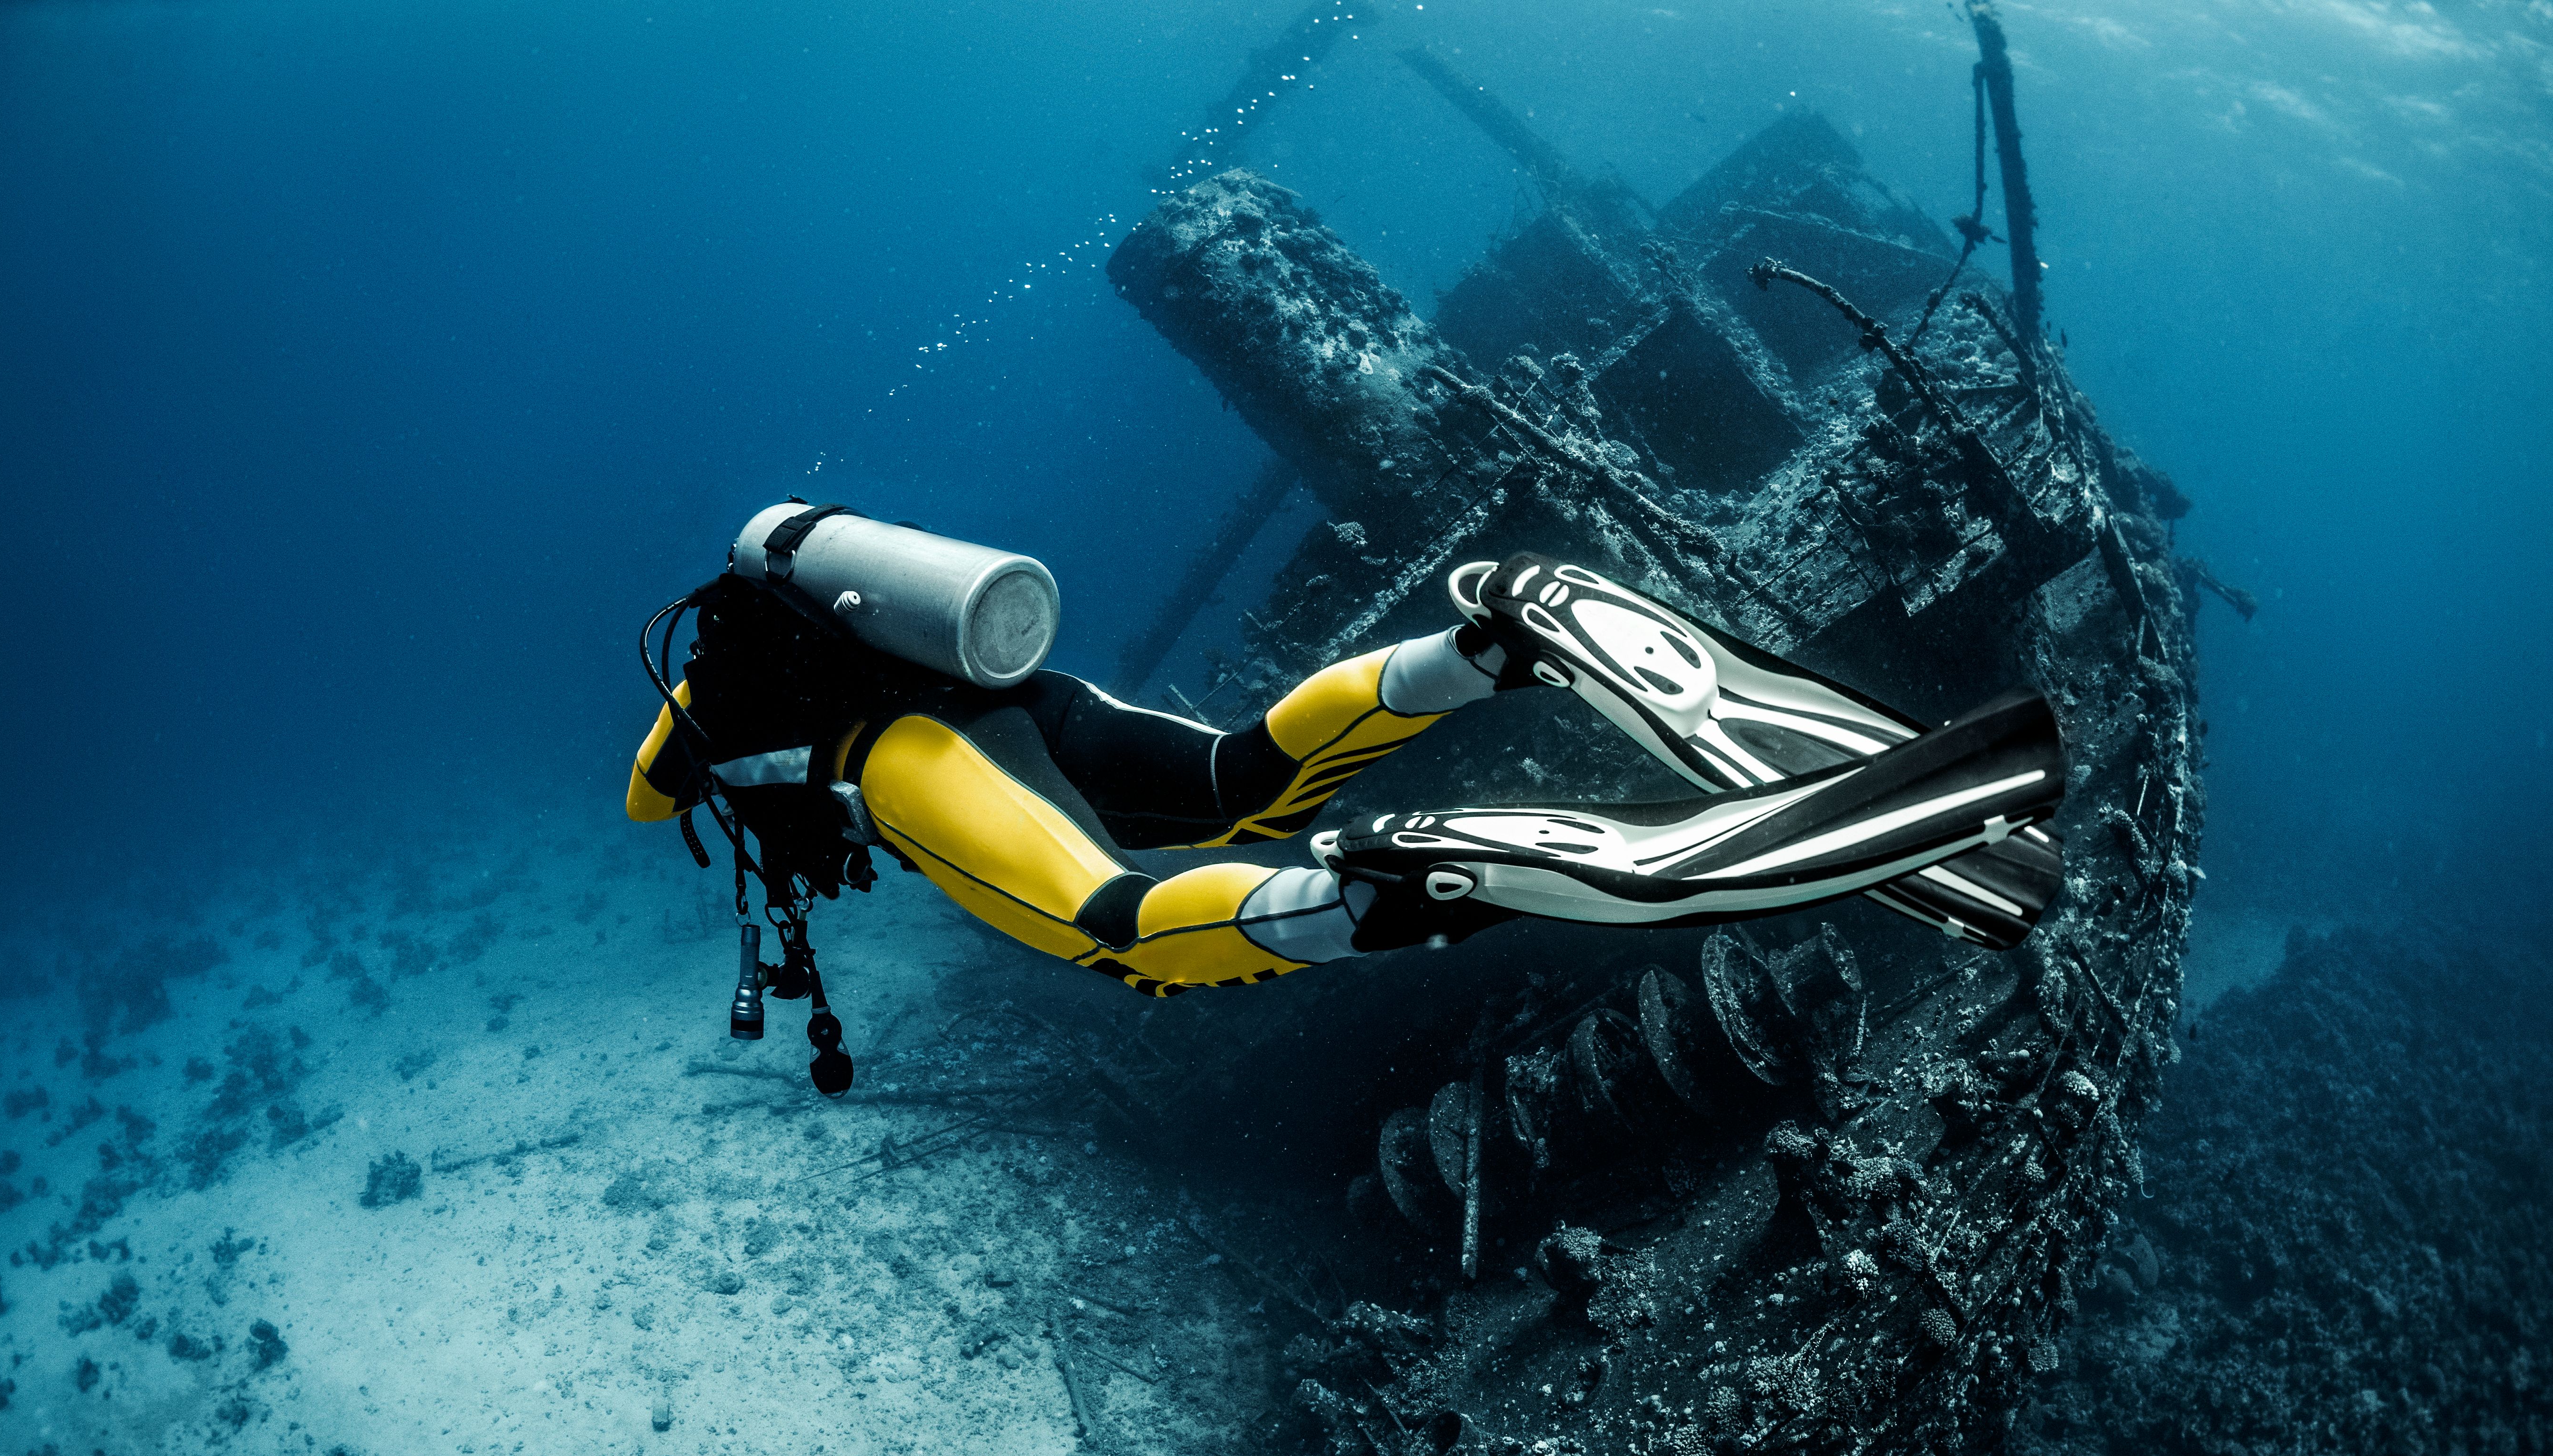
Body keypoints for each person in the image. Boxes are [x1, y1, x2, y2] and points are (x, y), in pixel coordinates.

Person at [627, 538, 2062, 1001]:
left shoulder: (712, 689)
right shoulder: (866, 602)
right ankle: (1481, 652)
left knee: (1118, 927)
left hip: (910, 759)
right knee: (1238, 778)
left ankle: (1387, 890)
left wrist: (697, 737)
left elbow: (648, 796)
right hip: (1020, 694)